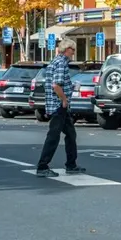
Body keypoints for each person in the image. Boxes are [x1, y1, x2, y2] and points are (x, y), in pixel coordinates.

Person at [35, 41, 84, 177]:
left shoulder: (55, 61)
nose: (74, 52)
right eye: (73, 50)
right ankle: (42, 166)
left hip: (57, 105)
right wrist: (64, 99)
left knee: (70, 134)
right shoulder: (61, 63)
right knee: (53, 136)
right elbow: (56, 85)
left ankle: (71, 164)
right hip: (59, 106)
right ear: (67, 49)